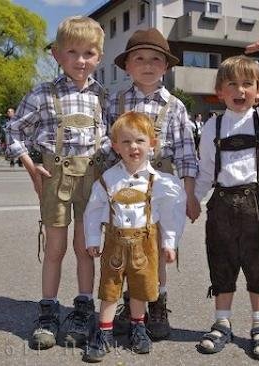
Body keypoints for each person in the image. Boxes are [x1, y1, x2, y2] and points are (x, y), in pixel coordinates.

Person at [6, 16, 114, 350]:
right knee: (55, 248)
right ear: (57, 55)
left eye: (89, 53)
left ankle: (83, 308)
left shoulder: (103, 97)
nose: (81, 60)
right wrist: (30, 164)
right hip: (55, 178)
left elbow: (113, 139)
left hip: (92, 181)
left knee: (85, 248)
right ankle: (49, 309)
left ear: (99, 56)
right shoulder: (42, 94)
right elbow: (13, 131)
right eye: (73, 53)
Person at [194, 36, 259, 360]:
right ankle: (221, 323)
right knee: (221, 264)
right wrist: (194, 199)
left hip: (257, 202)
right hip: (221, 204)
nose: (240, 91)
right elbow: (206, 170)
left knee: (258, 266)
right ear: (219, 91)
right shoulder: (212, 126)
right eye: (232, 85)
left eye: (247, 84)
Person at [107, 28, 199, 340]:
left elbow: (187, 152)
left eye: (155, 59)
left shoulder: (175, 106)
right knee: (128, 243)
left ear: (166, 66)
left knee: (157, 248)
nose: (147, 65)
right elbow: (106, 148)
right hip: (125, 186)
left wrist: (190, 194)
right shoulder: (115, 102)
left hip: (161, 187)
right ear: (127, 66)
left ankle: (157, 303)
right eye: (140, 59)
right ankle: (129, 304)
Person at [83, 111, 186, 361]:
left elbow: (170, 216)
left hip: (146, 243)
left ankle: (138, 327)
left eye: (140, 141)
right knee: (109, 287)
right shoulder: (108, 179)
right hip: (114, 243)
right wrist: (93, 240)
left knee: (140, 288)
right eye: (126, 142)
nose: (133, 147)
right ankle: (104, 332)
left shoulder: (160, 181)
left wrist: (170, 243)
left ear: (152, 144)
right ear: (116, 146)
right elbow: (93, 211)